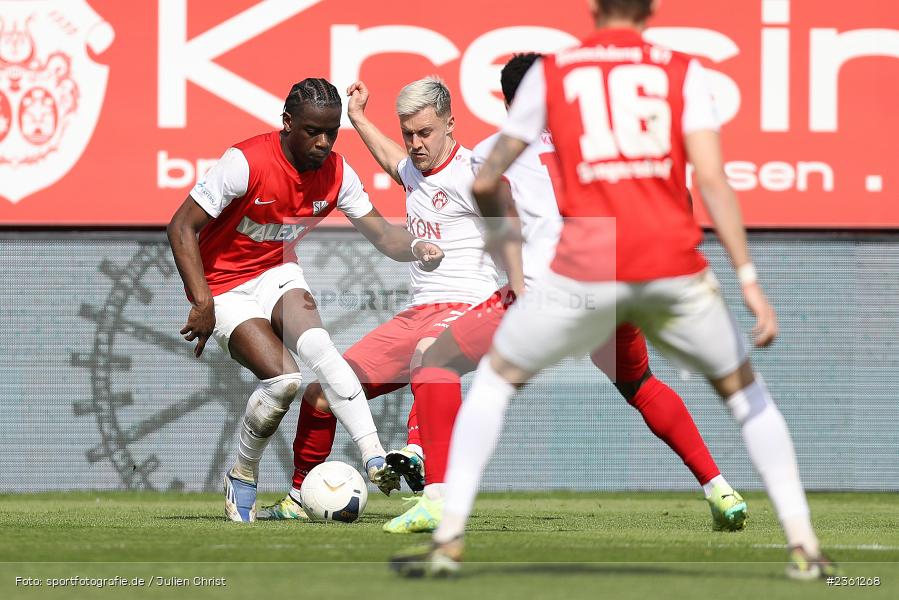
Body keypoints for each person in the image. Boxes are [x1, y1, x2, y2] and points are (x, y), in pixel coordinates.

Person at [394, 0, 836, 580]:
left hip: (570, 280)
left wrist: (514, 263)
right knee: (733, 392)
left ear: (594, 9)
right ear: (651, 9)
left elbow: (484, 179)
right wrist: (748, 279)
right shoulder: (683, 71)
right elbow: (709, 181)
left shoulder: (562, 77)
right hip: (663, 267)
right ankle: (787, 533)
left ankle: (447, 531)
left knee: (465, 372)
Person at [382, 52, 746, 536]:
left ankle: (437, 500)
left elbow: (500, 217)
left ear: (512, 103)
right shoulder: (611, 146)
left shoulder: (493, 149)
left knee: (433, 360)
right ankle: (719, 488)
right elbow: (675, 198)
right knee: (640, 385)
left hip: (542, 293)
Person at [166, 78, 444, 523]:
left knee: (321, 350)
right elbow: (181, 227)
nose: (322, 142)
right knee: (285, 382)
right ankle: (242, 474)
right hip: (225, 287)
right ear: (287, 123)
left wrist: (417, 246)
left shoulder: (337, 172)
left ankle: (373, 459)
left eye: (331, 132)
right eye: (313, 131)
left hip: (277, 272)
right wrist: (202, 302)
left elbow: (384, 236)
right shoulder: (245, 162)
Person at [257, 77, 501, 520]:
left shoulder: (476, 176)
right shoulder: (412, 169)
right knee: (322, 392)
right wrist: (357, 118)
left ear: (450, 124)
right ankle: (299, 499)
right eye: (408, 133)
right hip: (414, 316)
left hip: (467, 309)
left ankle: (420, 453)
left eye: (425, 132)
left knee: (433, 356)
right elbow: (392, 159)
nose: (414, 143)